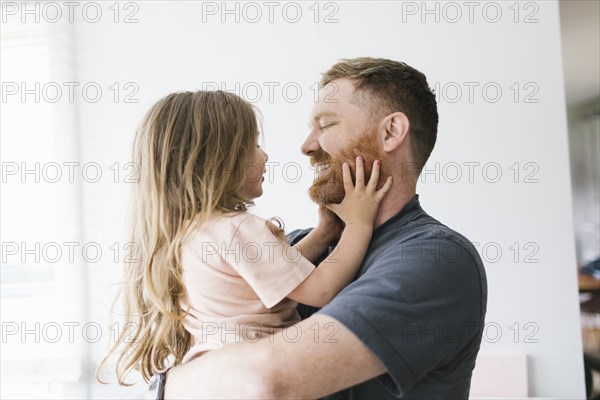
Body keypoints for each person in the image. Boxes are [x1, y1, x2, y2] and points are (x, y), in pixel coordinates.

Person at [162, 57, 488, 399]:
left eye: (326, 124)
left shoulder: (435, 259)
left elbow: (261, 382)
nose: (306, 146)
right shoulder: (301, 243)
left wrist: (169, 383)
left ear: (391, 132)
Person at [96, 90, 392, 386]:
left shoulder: (190, 232)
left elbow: (272, 279)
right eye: (253, 145)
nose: (264, 155)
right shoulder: (238, 228)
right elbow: (321, 290)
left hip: (214, 376)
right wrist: (358, 223)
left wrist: (325, 232)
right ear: (217, 158)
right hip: (252, 375)